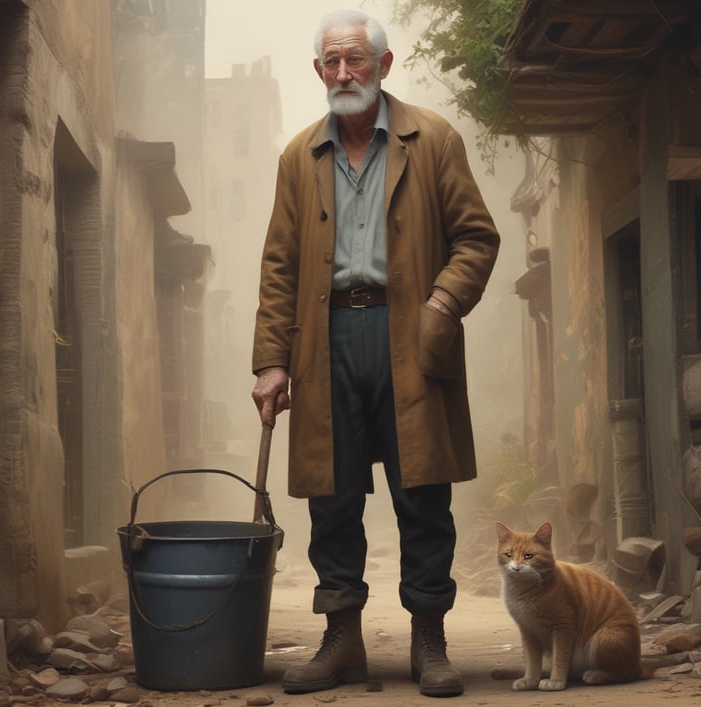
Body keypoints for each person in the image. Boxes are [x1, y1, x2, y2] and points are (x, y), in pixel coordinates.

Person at [251, 8, 500, 699]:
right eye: (331, 61)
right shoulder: (298, 156)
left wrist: (444, 305)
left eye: (355, 59)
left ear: (383, 66)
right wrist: (272, 360)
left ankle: (429, 638)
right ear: (318, 71)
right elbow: (278, 266)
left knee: (422, 493)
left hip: (413, 335)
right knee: (332, 499)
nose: (342, 72)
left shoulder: (434, 139)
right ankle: (341, 639)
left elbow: (477, 238)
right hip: (325, 340)